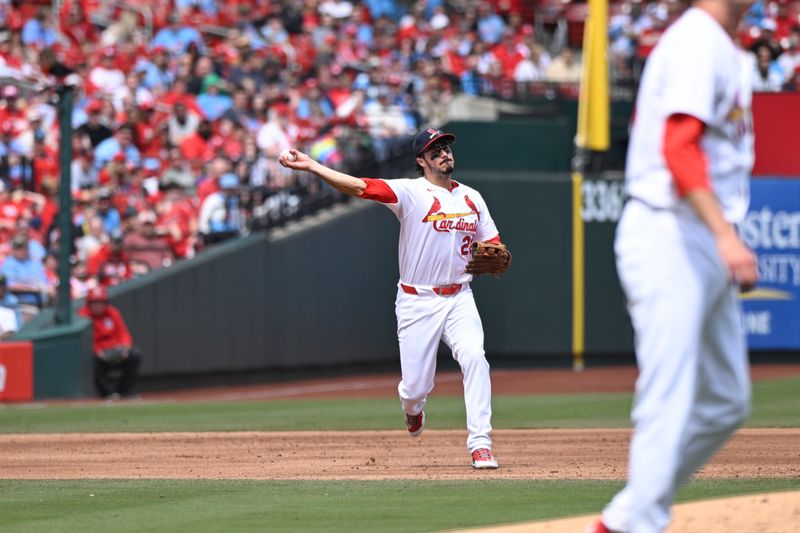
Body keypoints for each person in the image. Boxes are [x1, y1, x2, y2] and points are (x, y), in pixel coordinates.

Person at [587, 0, 758, 531]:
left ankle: (628, 515)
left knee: (728, 400)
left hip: (697, 234)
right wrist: (726, 236)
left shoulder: (722, 47)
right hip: (670, 231)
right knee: (669, 394)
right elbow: (678, 147)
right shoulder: (696, 41)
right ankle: (639, 522)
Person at [279, 128, 508, 469]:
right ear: (421, 161)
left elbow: (495, 242)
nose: (444, 153)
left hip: (460, 295)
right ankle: (412, 408)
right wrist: (313, 166)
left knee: (475, 357)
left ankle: (480, 444)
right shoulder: (410, 192)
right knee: (417, 387)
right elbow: (359, 186)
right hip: (418, 300)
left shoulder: (473, 198)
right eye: (435, 150)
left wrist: (497, 251)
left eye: (446, 147)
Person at [79, 286, 141, 399]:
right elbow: (86, 341)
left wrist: (125, 347)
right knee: (91, 360)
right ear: (89, 303)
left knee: (134, 354)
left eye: (100, 302)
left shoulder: (112, 312)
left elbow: (123, 333)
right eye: (94, 302)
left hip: (115, 350)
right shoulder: (83, 315)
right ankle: (107, 392)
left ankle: (125, 390)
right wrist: (99, 352)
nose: (98, 305)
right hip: (99, 353)